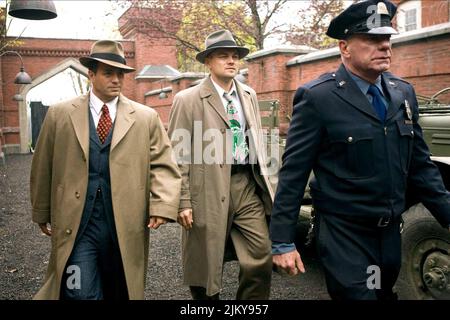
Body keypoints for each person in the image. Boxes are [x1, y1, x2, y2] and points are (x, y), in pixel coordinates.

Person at [269, 0, 450, 300]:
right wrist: (282, 242)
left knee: (382, 293)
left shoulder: (402, 93)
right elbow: (293, 173)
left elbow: (420, 165)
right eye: (372, 39)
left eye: (387, 38)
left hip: (389, 231)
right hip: (346, 234)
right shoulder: (318, 98)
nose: (385, 47)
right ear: (345, 47)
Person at [30, 40, 181, 300]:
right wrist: (42, 210)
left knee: (120, 289)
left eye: (120, 74)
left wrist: (162, 206)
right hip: (77, 226)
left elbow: (163, 164)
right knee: (79, 292)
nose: (116, 80)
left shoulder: (145, 118)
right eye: (108, 73)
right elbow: (43, 166)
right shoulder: (59, 115)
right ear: (91, 74)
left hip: (125, 223)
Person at [168, 29, 274, 300]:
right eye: (223, 56)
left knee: (260, 254)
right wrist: (183, 201)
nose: (231, 61)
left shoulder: (248, 94)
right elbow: (178, 154)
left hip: (244, 183)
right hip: (206, 187)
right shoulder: (188, 99)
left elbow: (257, 144)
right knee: (204, 263)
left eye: (235, 56)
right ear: (208, 62)